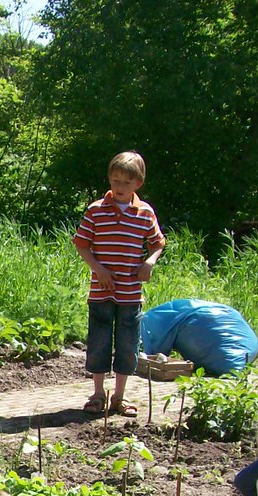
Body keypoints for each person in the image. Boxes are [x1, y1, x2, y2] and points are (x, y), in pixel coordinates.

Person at [73, 151, 166, 418]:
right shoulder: (96, 210)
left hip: (130, 293)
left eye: (126, 182)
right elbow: (81, 244)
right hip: (101, 292)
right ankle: (98, 393)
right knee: (99, 341)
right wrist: (98, 268)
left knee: (127, 344)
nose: (119, 187)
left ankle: (120, 396)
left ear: (138, 183)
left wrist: (149, 262)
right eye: (115, 181)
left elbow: (158, 243)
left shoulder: (145, 212)